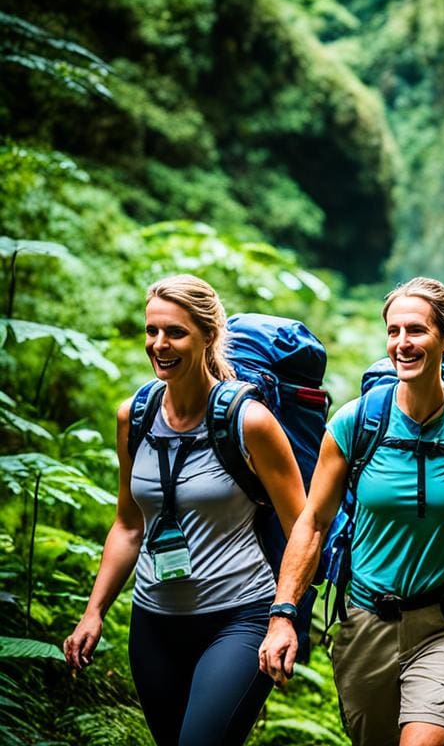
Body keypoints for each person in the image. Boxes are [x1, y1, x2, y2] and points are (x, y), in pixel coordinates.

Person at [259, 277, 444, 746]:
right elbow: (312, 524)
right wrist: (283, 616)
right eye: (393, 332)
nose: (402, 343)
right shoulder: (355, 423)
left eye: (415, 331)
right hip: (365, 623)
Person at [63, 275, 306, 746]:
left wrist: (284, 616)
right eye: (152, 331)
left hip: (239, 617)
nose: (159, 344)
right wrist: (93, 612)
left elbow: (304, 527)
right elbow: (129, 525)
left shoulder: (249, 421)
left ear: (208, 335)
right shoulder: (133, 415)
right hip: (153, 622)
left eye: (175, 332)